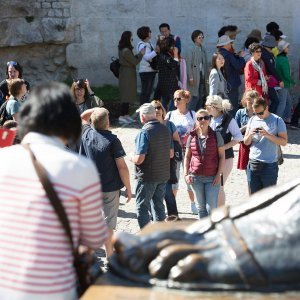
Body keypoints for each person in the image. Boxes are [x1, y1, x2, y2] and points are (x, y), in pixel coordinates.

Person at [0, 82, 108, 299]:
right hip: (53, 290)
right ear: (69, 121)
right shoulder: (79, 168)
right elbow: (95, 238)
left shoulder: (3, 159)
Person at [79, 107, 131, 258]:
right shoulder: (113, 141)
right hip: (109, 187)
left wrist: (97, 109)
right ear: (108, 122)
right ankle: (110, 255)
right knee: (108, 224)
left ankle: (89, 253)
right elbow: (122, 167)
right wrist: (128, 186)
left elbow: (82, 116)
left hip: (89, 187)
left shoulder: (86, 133)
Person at [129, 103, 171, 229]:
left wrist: (131, 157)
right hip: (162, 175)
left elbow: (140, 159)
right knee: (159, 206)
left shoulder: (144, 132)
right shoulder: (165, 129)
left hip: (147, 177)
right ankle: (160, 236)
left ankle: (148, 238)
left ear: (142, 117)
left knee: (142, 208)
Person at [184, 109, 225, 218]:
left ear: (210, 120)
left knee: (211, 208)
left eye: (206, 118)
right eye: (200, 118)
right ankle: (203, 233)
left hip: (212, 177)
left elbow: (222, 157)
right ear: (196, 121)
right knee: (201, 208)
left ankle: (213, 232)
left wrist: (219, 174)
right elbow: (187, 157)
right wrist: (186, 174)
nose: (203, 120)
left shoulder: (216, 136)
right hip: (195, 177)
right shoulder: (191, 136)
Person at [244, 97, 288, 194]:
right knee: (254, 199)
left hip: (270, 165)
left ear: (266, 108)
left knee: (269, 199)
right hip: (253, 163)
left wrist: (267, 135)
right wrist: (250, 134)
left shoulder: (277, 120)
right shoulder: (252, 120)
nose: (258, 116)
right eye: (256, 113)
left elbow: (284, 142)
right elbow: (246, 142)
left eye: (260, 113)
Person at [206, 95, 243, 206]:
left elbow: (238, 137)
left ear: (214, 107)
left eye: (207, 106)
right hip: (211, 158)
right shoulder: (209, 118)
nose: (205, 108)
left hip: (226, 157)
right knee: (212, 185)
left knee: (219, 185)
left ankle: (221, 213)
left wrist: (223, 147)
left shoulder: (228, 119)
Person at [165, 90, 198, 215]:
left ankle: (193, 204)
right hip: (174, 151)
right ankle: (173, 205)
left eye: (179, 98)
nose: (176, 101)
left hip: (189, 151)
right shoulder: (170, 115)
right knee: (174, 178)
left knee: (189, 177)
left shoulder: (193, 114)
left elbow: (198, 131)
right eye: (174, 98)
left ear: (186, 100)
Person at [151, 100, 181, 219]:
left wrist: (172, 150)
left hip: (168, 163)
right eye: (154, 108)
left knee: (168, 193)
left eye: (158, 107)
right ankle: (156, 218)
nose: (157, 110)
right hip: (153, 164)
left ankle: (174, 218)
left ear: (163, 110)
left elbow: (177, 141)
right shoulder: (149, 125)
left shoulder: (169, 124)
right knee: (153, 194)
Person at [118, 31, 145, 124]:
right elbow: (135, 61)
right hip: (126, 74)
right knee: (126, 96)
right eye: (131, 38)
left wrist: (138, 55)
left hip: (128, 73)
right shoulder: (125, 50)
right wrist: (141, 54)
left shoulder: (125, 49)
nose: (132, 40)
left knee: (128, 95)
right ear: (128, 39)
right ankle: (122, 116)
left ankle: (126, 115)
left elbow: (132, 60)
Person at [235, 90, 258, 194]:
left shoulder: (259, 113)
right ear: (245, 101)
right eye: (249, 102)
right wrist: (247, 126)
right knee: (248, 173)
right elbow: (235, 131)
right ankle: (251, 195)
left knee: (257, 171)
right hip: (244, 144)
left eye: (253, 102)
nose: (251, 105)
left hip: (257, 144)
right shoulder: (240, 113)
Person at [217, 35, 246, 115]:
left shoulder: (218, 54)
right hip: (231, 85)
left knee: (225, 107)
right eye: (229, 43)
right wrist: (241, 57)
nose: (231, 44)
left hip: (223, 84)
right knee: (232, 108)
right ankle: (232, 126)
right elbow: (238, 65)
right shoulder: (228, 55)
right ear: (226, 44)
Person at [186, 30, 209, 111]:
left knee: (201, 95)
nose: (201, 39)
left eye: (202, 37)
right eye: (200, 37)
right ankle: (191, 113)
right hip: (195, 76)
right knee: (194, 96)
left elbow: (205, 63)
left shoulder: (203, 49)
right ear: (195, 38)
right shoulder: (191, 49)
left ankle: (198, 113)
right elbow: (188, 65)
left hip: (202, 76)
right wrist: (190, 77)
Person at [261, 34, 283, 114]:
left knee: (271, 101)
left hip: (268, 81)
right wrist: (279, 79)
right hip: (266, 82)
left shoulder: (266, 53)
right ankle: (267, 117)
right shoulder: (265, 54)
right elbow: (271, 68)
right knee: (275, 101)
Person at [156, 37, 180, 110]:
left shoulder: (163, 55)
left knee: (165, 101)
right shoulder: (165, 57)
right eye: (172, 45)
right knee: (172, 101)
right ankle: (168, 117)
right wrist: (176, 54)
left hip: (165, 83)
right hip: (168, 83)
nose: (173, 47)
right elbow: (174, 65)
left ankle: (164, 116)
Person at [136, 26, 158, 105]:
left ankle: (146, 108)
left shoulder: (149, 43)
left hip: (151, 70)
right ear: (146, 33)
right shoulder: (142, 45)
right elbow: (146, 57)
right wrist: (156, 51)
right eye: (149, 31)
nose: (151, 33)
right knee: (145, 92)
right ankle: (143, 109)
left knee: (148, 92)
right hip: (145, 71)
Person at [275, 40, 295, 122]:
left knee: (288, 101)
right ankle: (277, 121)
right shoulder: (283, 59)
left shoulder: (278, 58)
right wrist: (293, 82)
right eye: (287, 47)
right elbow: (286, 74)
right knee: (282, 103)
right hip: (283, 84)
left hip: (281, 83)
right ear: (283, 49)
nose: (288, 48)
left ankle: (286, 118)